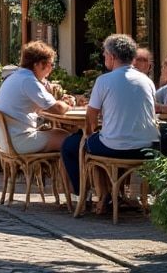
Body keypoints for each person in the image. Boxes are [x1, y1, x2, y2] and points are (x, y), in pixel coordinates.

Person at [61, 34, 159, 206]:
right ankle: (112, 194)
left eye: (105, 54)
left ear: (112, 57)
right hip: (146, 148)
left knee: (73, 145)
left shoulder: (104, 80)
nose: (104, 57)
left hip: (115, 147)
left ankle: (86, 196)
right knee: (97, 143)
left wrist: (88, 133)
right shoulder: (147, 81)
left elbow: (91, 116)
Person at [0, 41, 75, 154]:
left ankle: (55, 171)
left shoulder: (16, 76)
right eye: (51, 64)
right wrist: (69, 103)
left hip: (7, 139)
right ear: (39, 64)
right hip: (19, 141)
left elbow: (38, 108)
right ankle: (76, 172)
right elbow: (58, 109)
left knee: (60, 134)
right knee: (71, 142)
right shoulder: (28, 80)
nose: (51, 69)